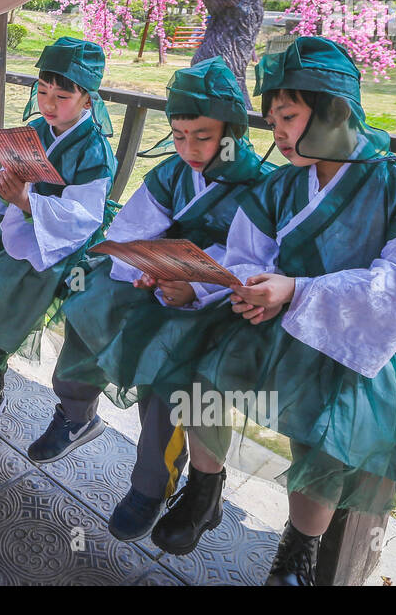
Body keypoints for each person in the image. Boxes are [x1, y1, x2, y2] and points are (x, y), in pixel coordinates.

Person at [128, 36, 396, 585]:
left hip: (363, 341)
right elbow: (250, 254)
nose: (277, 131)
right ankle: (204, 488)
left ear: (334, 111)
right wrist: (250, 288)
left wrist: (296, 289)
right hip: (275, 320)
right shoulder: (281, 186)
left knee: (330, 429)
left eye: (290, 116)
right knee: (197, 375)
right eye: (273, 118)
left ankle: (299, 547)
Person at [26, 57, 271, 542]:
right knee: (89, 301)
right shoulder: (173, 174)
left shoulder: (260, 186)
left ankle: (152, 484)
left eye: (202, 136)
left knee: (173, 370)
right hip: (161, 279)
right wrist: (146, 267)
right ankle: (75, 412)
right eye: (179, 136)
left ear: (232, 130)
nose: (188, 148)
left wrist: (194, 285)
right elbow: (132, 228)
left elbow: (253, 257)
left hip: (217, 299)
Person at [0, 36, 117, 437]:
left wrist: (26, 201)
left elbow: (84, 215)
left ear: (88, 100)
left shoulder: (93, 150)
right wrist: (8, 188)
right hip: (21, 218)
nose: (49, 104)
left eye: (63, 96)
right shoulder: (38, 128)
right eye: (43, 91)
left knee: (1, 292)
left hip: (62, 239)